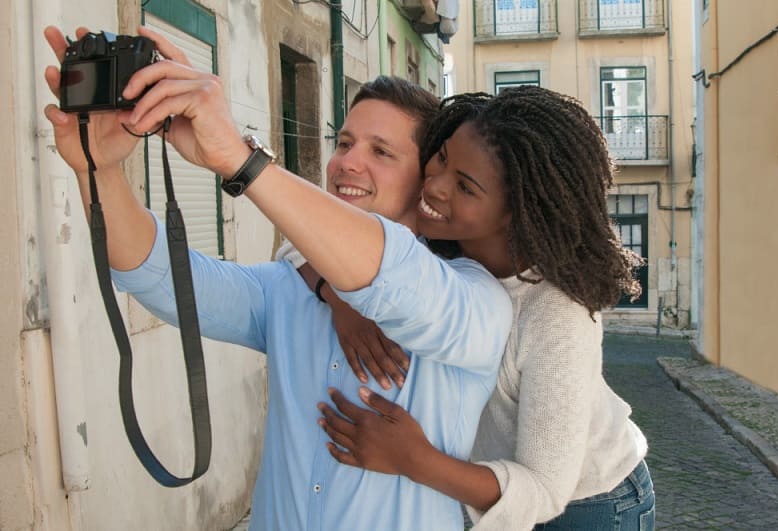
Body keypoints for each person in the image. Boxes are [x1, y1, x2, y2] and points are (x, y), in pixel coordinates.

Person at [43, 26, 512, 531]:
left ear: (427, 184)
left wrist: (240, 159)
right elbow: (162, 277)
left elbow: (393, 274)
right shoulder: (292, 288)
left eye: (382, 152)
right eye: (346, 141)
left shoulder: (476, 299)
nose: (347, 163)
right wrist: (99, 170)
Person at [316, 88, 656, 530]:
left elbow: (546, 489)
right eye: (439, 158)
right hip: (482, 486)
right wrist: (341, 294)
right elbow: (306, 238)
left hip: (589, 504)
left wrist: (412, 458)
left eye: (464, 185)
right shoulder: (433, 243)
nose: (434, 185)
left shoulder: (556, 315)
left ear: (517, 210)